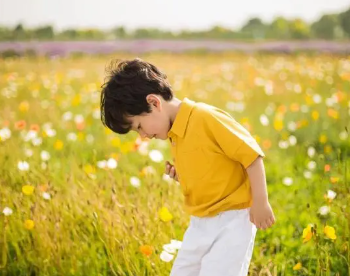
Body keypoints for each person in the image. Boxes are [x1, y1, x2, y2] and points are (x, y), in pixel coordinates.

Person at [100, 58, 275, 276]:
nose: (143, 136)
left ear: (154, 103)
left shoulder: (205, 117)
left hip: (232, 220)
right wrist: (184, 176)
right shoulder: (174, 132)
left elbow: (252, 156)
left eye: (139, 127)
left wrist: (260, 201)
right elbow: (211, 167)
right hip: (200, 223)